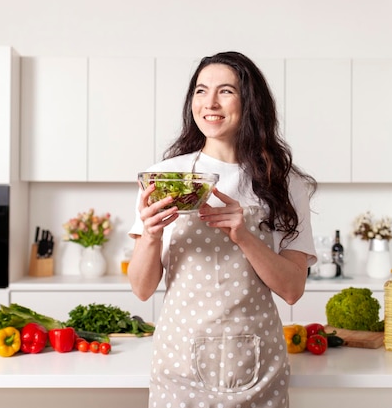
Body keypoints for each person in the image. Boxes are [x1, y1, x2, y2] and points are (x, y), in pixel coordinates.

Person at [127, 51, 317, 408]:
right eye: (201, 91)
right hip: (179, 365)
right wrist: (150, 237)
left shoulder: (285, 184)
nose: (210, 102)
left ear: (250, 101)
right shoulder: (166, 177)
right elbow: (141, 288)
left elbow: (292, 290)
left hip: (257, 367)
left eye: (225, 91)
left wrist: (243, 235)